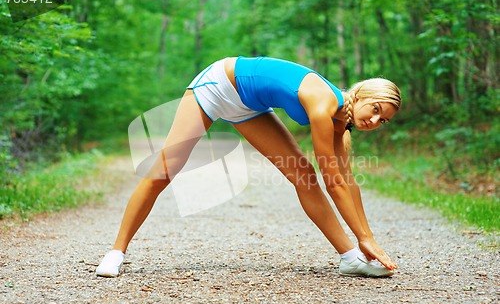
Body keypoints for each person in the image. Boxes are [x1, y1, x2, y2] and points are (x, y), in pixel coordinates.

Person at [96, 56, 402, 278]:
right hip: (218, 85)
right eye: (375, 109)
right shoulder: (324, 106)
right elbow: (333, 183)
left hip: (248, 106)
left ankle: (349, 259)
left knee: (303, 174)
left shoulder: (341, 122)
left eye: (383, 120)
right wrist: (366, 238)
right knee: (165, 170)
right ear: (361, 95)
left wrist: (366, 237)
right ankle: (116, 252)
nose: (374, 121)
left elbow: (347, 181)